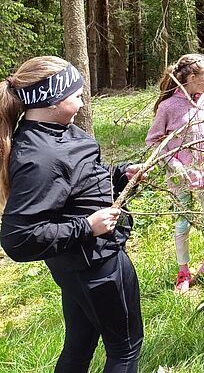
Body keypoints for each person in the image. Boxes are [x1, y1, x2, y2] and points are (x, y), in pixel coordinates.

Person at [0, 56, 144, 372]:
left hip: (78, 265)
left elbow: (79, 178)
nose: (82, 101)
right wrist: (88, 226)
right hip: (97, 266)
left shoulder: (56, 129)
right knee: (125, 350)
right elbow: (18, 239)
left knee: (79, 345)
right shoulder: (41, 157)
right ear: (53, 99)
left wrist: (119, 174)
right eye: (77, 94)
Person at [146, 53, 204, 293]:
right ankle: (183, 271)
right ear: (192, 77)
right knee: (183, 221)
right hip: (181, 177)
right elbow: (153, 141)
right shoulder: (169, 107)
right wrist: (173, 164)